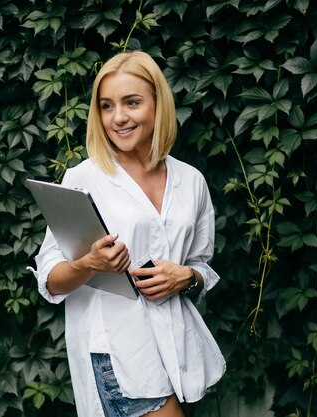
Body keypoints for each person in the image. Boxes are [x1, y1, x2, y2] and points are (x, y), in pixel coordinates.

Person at [30, 50, 225, 417]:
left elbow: (201, 264)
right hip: (119, 351)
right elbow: (50, 281)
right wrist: (90, 263)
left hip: (177, 349)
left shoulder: (191, 180)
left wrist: (186, 277)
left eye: (131, 102)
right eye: (106, 106)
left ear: (158, 104)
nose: (118, 117)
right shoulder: (84, 179)